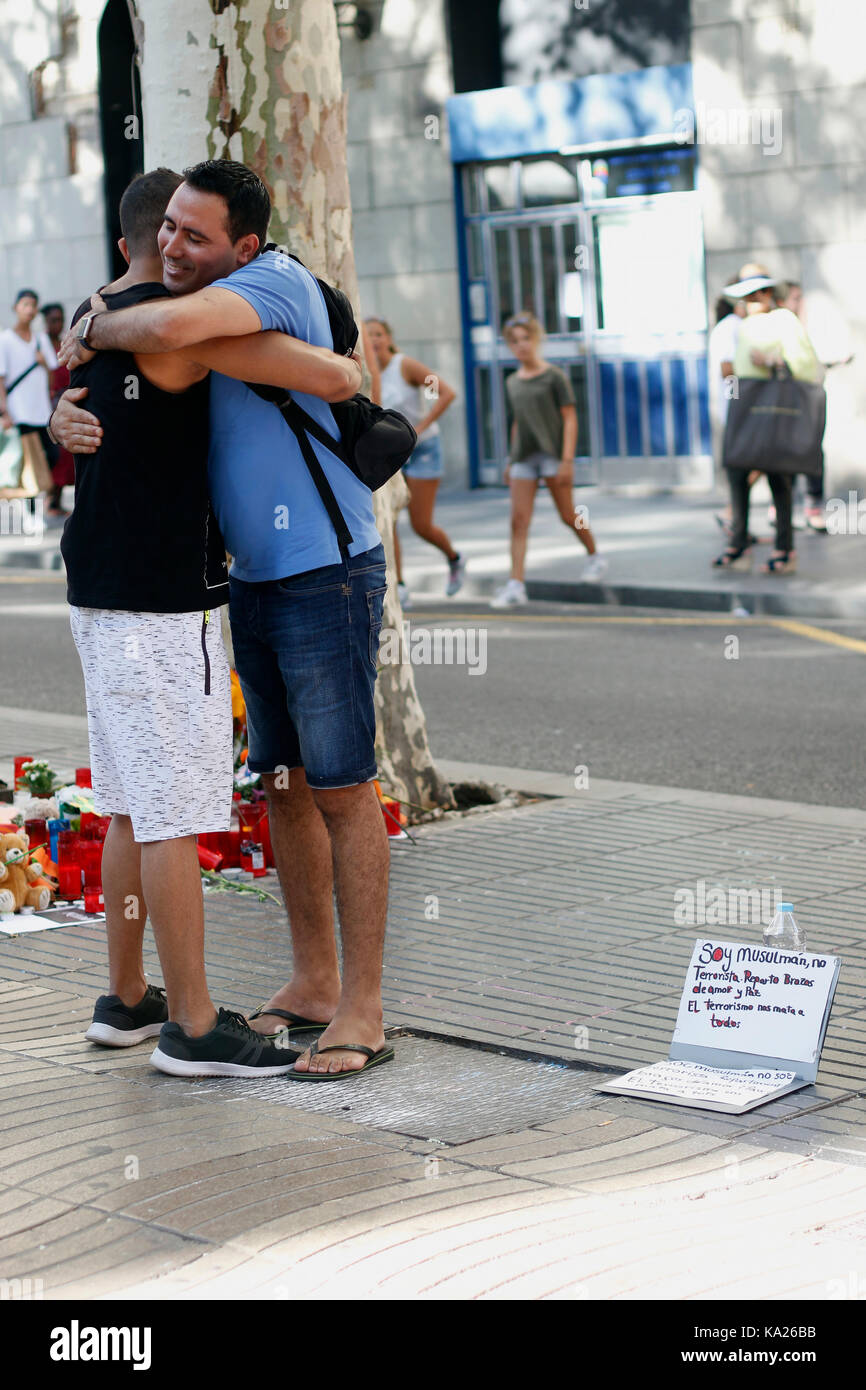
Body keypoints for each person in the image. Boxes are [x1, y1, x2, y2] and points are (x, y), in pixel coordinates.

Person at [54, 159, 394, 1081]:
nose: (176, 246)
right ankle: (262, 998)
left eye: (193, 234)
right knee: (243, 790)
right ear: (142, 232)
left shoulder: (260, 284)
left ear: (244, 245)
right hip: (211, 586)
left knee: (336, 787)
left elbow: (313, 371)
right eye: (169, 229)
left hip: (321, 573)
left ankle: (347, 1005)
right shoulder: (173, 316)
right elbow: (300, 369)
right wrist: (72, 395)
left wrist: (88, 324)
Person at [491, 312, 605, 607]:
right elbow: (519, 421)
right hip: (524, 457)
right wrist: (510, 459)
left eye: (526, 339)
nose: (521, 346)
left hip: (554, 455)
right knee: (518, 521)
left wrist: (568, 460)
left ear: (536, 339)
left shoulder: (555, 376)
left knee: (568, 514)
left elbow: (569, 418)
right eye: (514, 342)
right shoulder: (513, 381)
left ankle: (595, 556)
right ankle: (516, 584)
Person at [713, 272, 820, 575]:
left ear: (768, 294)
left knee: (778, 478)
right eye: (746, 297)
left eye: (756, 295)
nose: (751, 302)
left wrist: (773, 361)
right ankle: (738, 544)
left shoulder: (784, 320)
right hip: (745, 405)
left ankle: (784, 550)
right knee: (736, 470)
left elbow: (804, 363)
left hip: (773, 408)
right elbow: (731, 369)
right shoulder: (743, 325)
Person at [365, 316, 464, 606]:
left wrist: (421, 425)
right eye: (368, 335)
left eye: (379, 334)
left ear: (389, 339)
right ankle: (400, 584)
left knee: (421, 524)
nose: (374, 340)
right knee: (389, 518)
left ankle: (454, 559)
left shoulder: (404, 366)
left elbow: (444, 391)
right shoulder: (370, 373)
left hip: (423, 448)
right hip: (394, 452)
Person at [0, 289, 57, 506]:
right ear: (16, 308)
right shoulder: (5, 340)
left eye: (33, 305)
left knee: (51, 456)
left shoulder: (41, 340)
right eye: (25, 304)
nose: (29, 309)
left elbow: (51, 378)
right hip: (19, 411)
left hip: (41, 411)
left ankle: (36, 507)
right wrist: (5, 411)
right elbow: (1, 379)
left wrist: (42, 362)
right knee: (27, 465)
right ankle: (31, 512)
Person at [41, 302, 75, 517]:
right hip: (46, 407)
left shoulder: (65, 343)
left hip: (66, 404)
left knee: (66, 457)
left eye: (60, 319)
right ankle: (48, 501)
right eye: (53, 320)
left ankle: (56, 501)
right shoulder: (41, 345)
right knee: (52, 457)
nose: (58, 324)